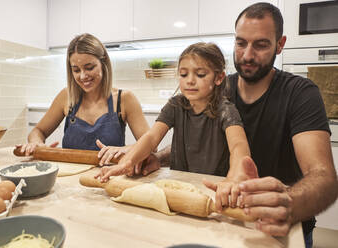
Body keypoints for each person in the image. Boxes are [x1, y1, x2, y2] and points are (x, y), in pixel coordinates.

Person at [203, 2, 338, 247]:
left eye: (261, 44)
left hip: (282, 227)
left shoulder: (300, 93)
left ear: (280, 44)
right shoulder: (220, 90)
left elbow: (324, 178)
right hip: (224, 221)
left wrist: (288, 202)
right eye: (241, 43)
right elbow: (199, 141)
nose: (247, 55)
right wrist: (159, 157)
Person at [96, 42, 257, 211]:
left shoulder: (226, 110)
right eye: (183, 74)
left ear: (219, 78)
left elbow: (238, 146)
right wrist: (126, 163)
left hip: (213, 189)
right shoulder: (176, 105)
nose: (190, 81)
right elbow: (151, 137)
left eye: (200, 74)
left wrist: (234, 178)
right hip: (178, 185)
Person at [16, 33, 150, 165]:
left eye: (89, 68)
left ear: (103, 62)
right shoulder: (66, 96)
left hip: (109, 175)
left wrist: (124, 149)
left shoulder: (124, 99)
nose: (83, 76)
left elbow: (150, 145)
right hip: (69, 178)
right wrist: (36, 143)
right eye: (76, 70)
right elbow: (38, 131)